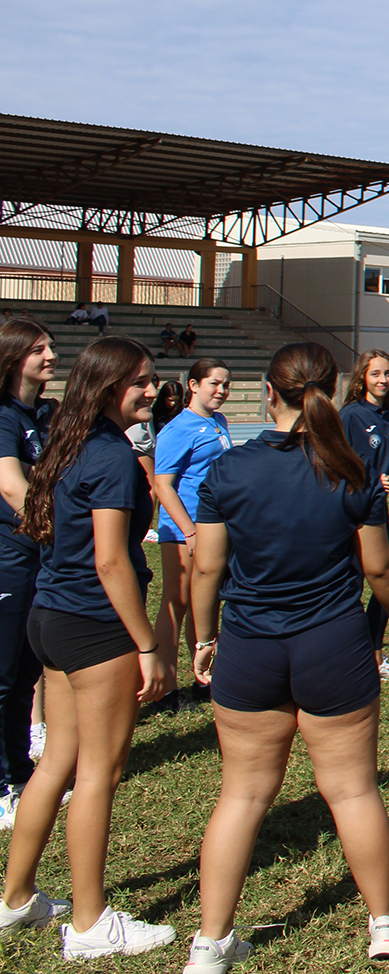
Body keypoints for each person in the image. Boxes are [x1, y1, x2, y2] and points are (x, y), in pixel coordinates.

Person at [182, 343, 389, 972]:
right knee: (351, 790)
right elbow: (380, 565)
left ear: (269, 391)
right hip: (333, 645)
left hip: (250, 645)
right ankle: (386, 924)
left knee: (241, 796)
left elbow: (207, 565)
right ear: (331, 390)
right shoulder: (349, 470)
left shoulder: (230, 471)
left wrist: (205, 638)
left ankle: (209, 944)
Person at [1, 337, 175, 956]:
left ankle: (16, 899)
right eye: (142, 382)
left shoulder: (67, 444)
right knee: (99, 772)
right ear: (106, 388)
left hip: (50, 617)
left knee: (56, 765)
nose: (152, 391)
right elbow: (110, 561)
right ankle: (89, 923)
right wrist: (148, 643)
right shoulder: (109, 458)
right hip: (94, 627)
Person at [149, 359, 234, 713]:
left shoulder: (217, 421)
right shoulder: (177, 428)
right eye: (214, 383)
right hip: (184, 530)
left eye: (226, 384)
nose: (222, 391)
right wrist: (189, 531)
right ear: (194, 385)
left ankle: (203, 678)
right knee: (177, 602)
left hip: (214, 527)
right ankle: (165, 689)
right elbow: (162, 484)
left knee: (207, 602)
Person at [0, 322, 58, 828]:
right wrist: (59, 532)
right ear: (14, 358)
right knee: (1, 674)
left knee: (24, 673)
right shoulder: (3, 416)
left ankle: (19, 773)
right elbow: (12, 486)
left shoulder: (46, 413)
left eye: (51, 347)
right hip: (10, 557)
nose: (50, 355)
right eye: (38, 349)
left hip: (37, 554)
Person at [341, 351, 389, 681]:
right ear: (362, 378)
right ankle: (344, 659)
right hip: (349, 512)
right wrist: (364, 479)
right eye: (376, 374)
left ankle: (375, 658)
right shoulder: (350, 416)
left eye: (388, 374)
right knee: (350, 585)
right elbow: (333, 465)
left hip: (377, 511)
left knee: (386, 586)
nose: (383, 380)